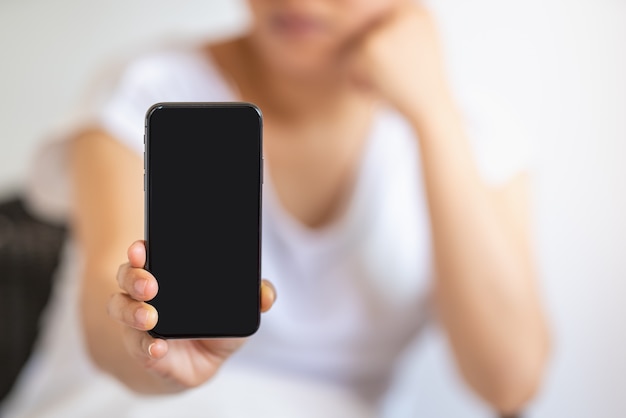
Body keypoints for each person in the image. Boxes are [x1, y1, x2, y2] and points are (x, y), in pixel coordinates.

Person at [0, 0, 550, 417]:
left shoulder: (473, 134)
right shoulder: (148, 86)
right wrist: (152, 355)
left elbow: (509, 383)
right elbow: (105, 298)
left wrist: (431, 112)